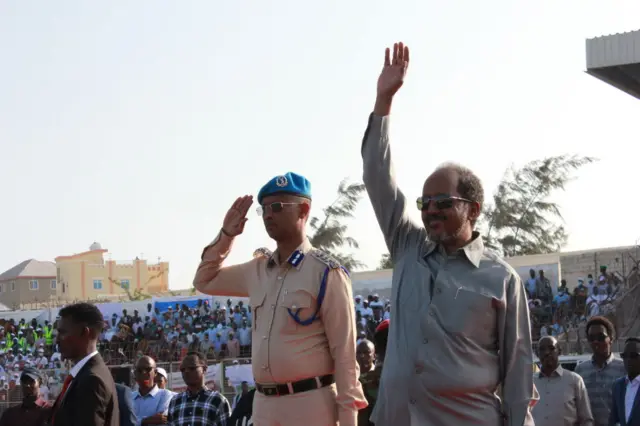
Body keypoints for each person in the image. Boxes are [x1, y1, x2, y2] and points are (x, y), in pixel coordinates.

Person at [361, 42, 536, 426]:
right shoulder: (407, 247)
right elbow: (377, 177)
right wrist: (383, 101)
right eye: (424, 202)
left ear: (472, 209)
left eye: (442, 201)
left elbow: (518, 370)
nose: (429, 210)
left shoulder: (501, 279)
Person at [193, 172, 367, 426]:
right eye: (263, 209)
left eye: (277, 207)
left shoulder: (326, 273)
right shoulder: (257, 270)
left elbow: (345, 357)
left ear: (303, 210)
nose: (268, 215)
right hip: (264, 405)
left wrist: (348, 421)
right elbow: (204, 280)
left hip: (310, 405)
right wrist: (226, 235)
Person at [49, 302, 119, 426]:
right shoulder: (86, 374)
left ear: (85, 333)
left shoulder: (92, 380)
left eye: (63, 332)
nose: (57, 339)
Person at [574, 316, 626, 426]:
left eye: (601, 337)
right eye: (591, 338)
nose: (596, 342)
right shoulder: (580, 371)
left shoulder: (624, 369)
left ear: (611, 338)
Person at [532, 336, 593, 426]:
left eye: (551, 348)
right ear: (537, 354)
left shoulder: (574, 380)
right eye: (542, 349)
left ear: (559, 351)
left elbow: (586, 420)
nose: (547, 353)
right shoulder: (530, 382)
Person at [167, 352, 230, 425]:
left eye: (192, 368)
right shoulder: (175, 401)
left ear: (204, 369)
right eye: (183, 369)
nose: (186, 371)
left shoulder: (218, 400)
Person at [132, 356, 173, 425]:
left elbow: (161, 422)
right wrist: (145, 421)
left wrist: (135, 421)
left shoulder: (166, 395)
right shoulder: (129, 397)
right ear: (135, 373)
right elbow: (124, 421)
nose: (144, 373)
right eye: (140, 370)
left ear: (155, 372)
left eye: (148, 369)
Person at [609, 337, 640, 426]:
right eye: (624, 356)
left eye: (634, 356)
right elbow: (613, 419)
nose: (628, 359)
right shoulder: (618, 385)